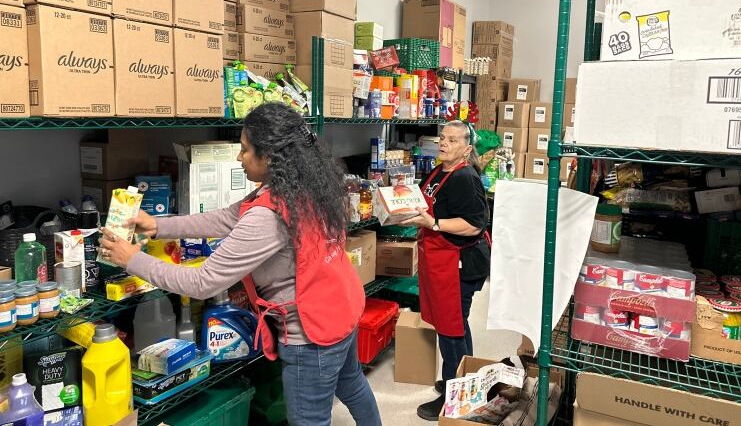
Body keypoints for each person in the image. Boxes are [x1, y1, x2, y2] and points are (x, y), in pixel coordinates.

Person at [98, 103, 382, 426]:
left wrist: (133, 259)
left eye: (245, 150)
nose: (239, 158)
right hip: (342, 307)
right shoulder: (300, 186)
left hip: (311, 335)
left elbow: (203, 283)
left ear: (270, 157)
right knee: (353, 384)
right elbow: (226, 217)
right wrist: (160, 226)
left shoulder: (268, 216)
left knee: (310, 420)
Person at [402, 120, 491, 421]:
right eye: (443, 138)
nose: (444, 144)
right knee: (454, 324)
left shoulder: (465, 177)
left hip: (458, 264)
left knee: (451, 329)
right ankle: (464, 381)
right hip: (441, 262)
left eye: (453, 140)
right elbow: (428, 206)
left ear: (467, 148)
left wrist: (435, 225)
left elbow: (475, 224)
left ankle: (454, 398)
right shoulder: (441, 170)